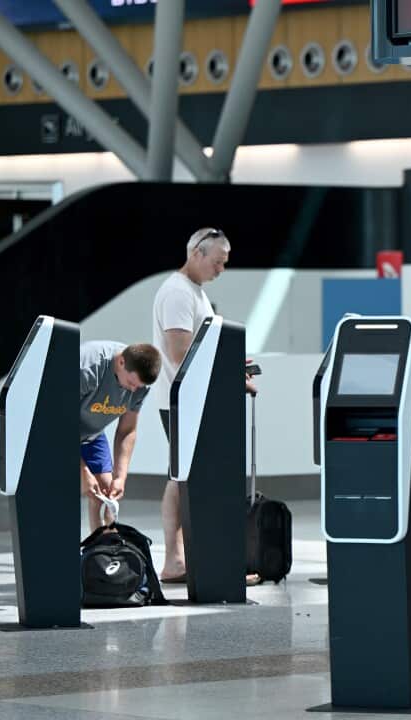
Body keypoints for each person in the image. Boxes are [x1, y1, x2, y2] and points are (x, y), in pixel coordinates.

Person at [151, 227, 261, 585]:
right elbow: (180, 353)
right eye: (217, 262)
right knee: (183, 477)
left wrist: (231, 364)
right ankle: (181, 560)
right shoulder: (177, 293)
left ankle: (187, 559)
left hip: (196, 400)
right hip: (184, 402)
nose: (221, 270)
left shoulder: (193, 292)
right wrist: (229, 373)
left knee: (184, 476)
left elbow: (201, 351)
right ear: (197, 253)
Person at [80, 341, 161, 530]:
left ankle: (101, 551)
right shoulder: (87, 369)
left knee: (106, 492)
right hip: (55, 427)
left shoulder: (140, 386)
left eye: (138, 386)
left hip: (92, 434)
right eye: (132, 383)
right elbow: (56, 420)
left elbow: (127, 430)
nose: (134, 390)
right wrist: (84, 471)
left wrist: (120, 477)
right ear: (121, 362)